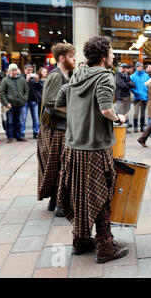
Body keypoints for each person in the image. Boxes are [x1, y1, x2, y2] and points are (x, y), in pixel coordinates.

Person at [55, 36, 129, 263]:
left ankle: (80, 241)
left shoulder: (77, 74)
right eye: (112, 52)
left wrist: (80, 117)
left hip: (73, 146)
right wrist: (119, 118)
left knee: (79, 194)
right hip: (95, 147)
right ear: (104, 56)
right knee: (102, 196)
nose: (114, 56)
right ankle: (105, 246)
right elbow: (106, 109)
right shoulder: (105, 77)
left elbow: (59, 102)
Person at [37, 42, 76, 217]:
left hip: (58, 128)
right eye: (71, 56)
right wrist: (74, 115)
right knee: (62, 167)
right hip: (55, 129)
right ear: (62, 58)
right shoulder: (56, 75)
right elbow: (51, 103)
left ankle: (55, 202)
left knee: (58, 167)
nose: (74, 59)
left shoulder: (65, 74)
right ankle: (61, 206)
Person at [0, 63, 29, 143]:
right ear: (9, 71)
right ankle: (10, 137)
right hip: (10, 105)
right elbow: (2, 93)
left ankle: (19, 136)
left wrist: (24, 99)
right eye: (12, 70)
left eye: (15, 70)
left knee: (19, 121)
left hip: (20, 104)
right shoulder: (5, 80)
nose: (14, 72)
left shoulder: (22, 79)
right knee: (10, 121)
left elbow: (26, 90)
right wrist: (6, 103)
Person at [19, 64, 41, 138]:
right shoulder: (21, 77)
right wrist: (27, 80)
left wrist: (37, 81)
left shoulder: (34, 77)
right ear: (24, 70)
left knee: (35, 118)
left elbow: (39, 88)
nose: (30, 72)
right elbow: (20, 87)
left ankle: (36, 133)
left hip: (34, 100)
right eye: (28, 70)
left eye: (31, 70)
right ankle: (22, 133)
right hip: (24, 101)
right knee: (23, 118)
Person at [130, 62, 149, 133]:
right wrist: (136, 92)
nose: (139, 67)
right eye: (138, 66)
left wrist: (147, 92)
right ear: (136, 67)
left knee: (142, 113)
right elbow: (130, 86)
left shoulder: (146, 75)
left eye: (141, 66)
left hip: (144, 97)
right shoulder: (132, 76)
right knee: (135, 113)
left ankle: (142, 127)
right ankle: (135, 127)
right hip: (137, 97)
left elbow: (149, 85)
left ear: (142, 67)